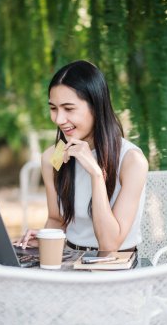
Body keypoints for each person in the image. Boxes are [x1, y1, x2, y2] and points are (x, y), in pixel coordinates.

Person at [18, 60, 148, 252]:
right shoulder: (53, 158)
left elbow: (109, 244)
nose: (59, 119)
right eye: (53, 108)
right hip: (70, 261)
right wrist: (46, 239)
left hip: (116, 268)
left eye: (69, 109)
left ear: (96, 106)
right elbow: (57, 220)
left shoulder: (131, 161)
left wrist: (96, 174)